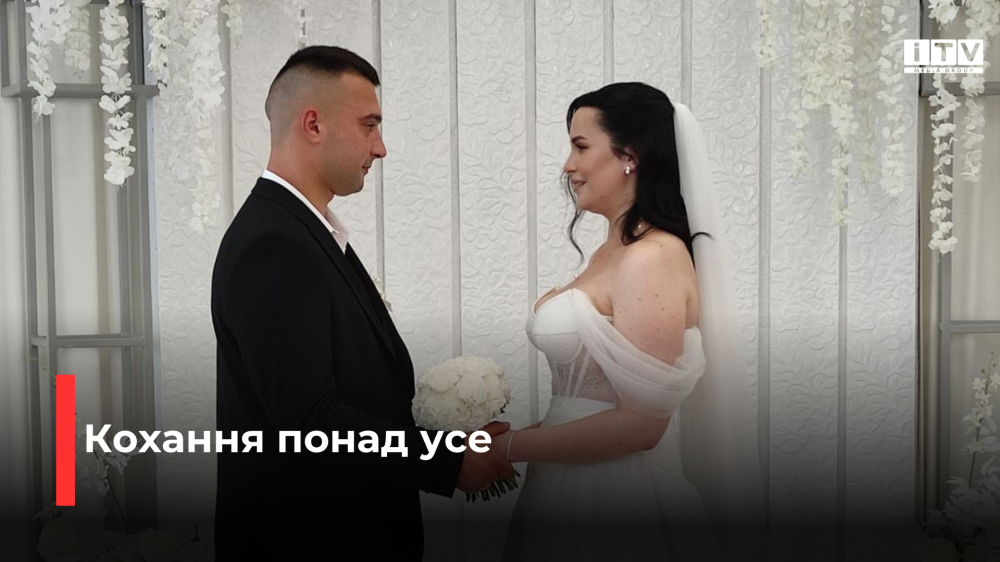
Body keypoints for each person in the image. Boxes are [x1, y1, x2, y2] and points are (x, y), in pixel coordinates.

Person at [211, 45, 513, 561]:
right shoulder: (274, 245)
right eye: (369, 125)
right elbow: (310, 420)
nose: (381, 148)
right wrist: (446, 462)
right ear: (313, 125)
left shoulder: (303, 232)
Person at [494, 83, 764, 561]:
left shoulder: (651, 258)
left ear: (630, 156)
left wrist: (509, 448)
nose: (568, 166)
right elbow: (584, 405)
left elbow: (641, 425)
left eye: (581, 147)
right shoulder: (610, 253)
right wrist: (505, 439)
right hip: (563, 486)